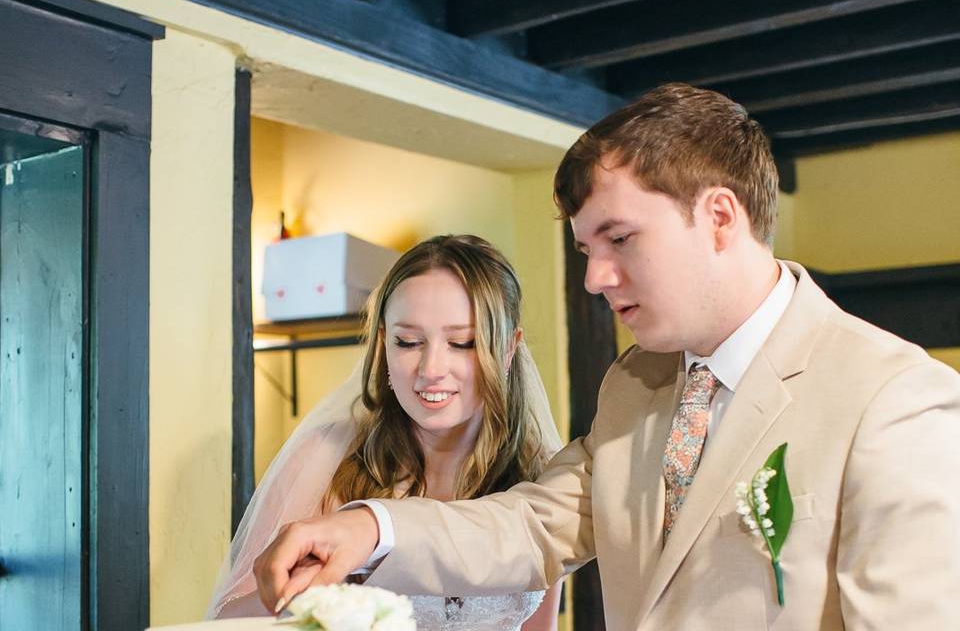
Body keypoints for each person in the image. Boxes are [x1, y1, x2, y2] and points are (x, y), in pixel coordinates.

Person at [252, 84, 960, 630]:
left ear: (718, 218)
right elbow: (533, 523)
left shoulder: (894, 400)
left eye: (619, 239)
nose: (594, 278)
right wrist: (370, 525)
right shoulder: (635, 384)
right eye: (587, 250)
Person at [208, 234, 564, 630]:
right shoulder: (324, 459)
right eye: (408, 341)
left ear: (509, 349)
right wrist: (312, 595)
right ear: (383, 342)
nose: (431, 369)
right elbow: (225, 620)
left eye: (461, 343)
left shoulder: (542, 480)